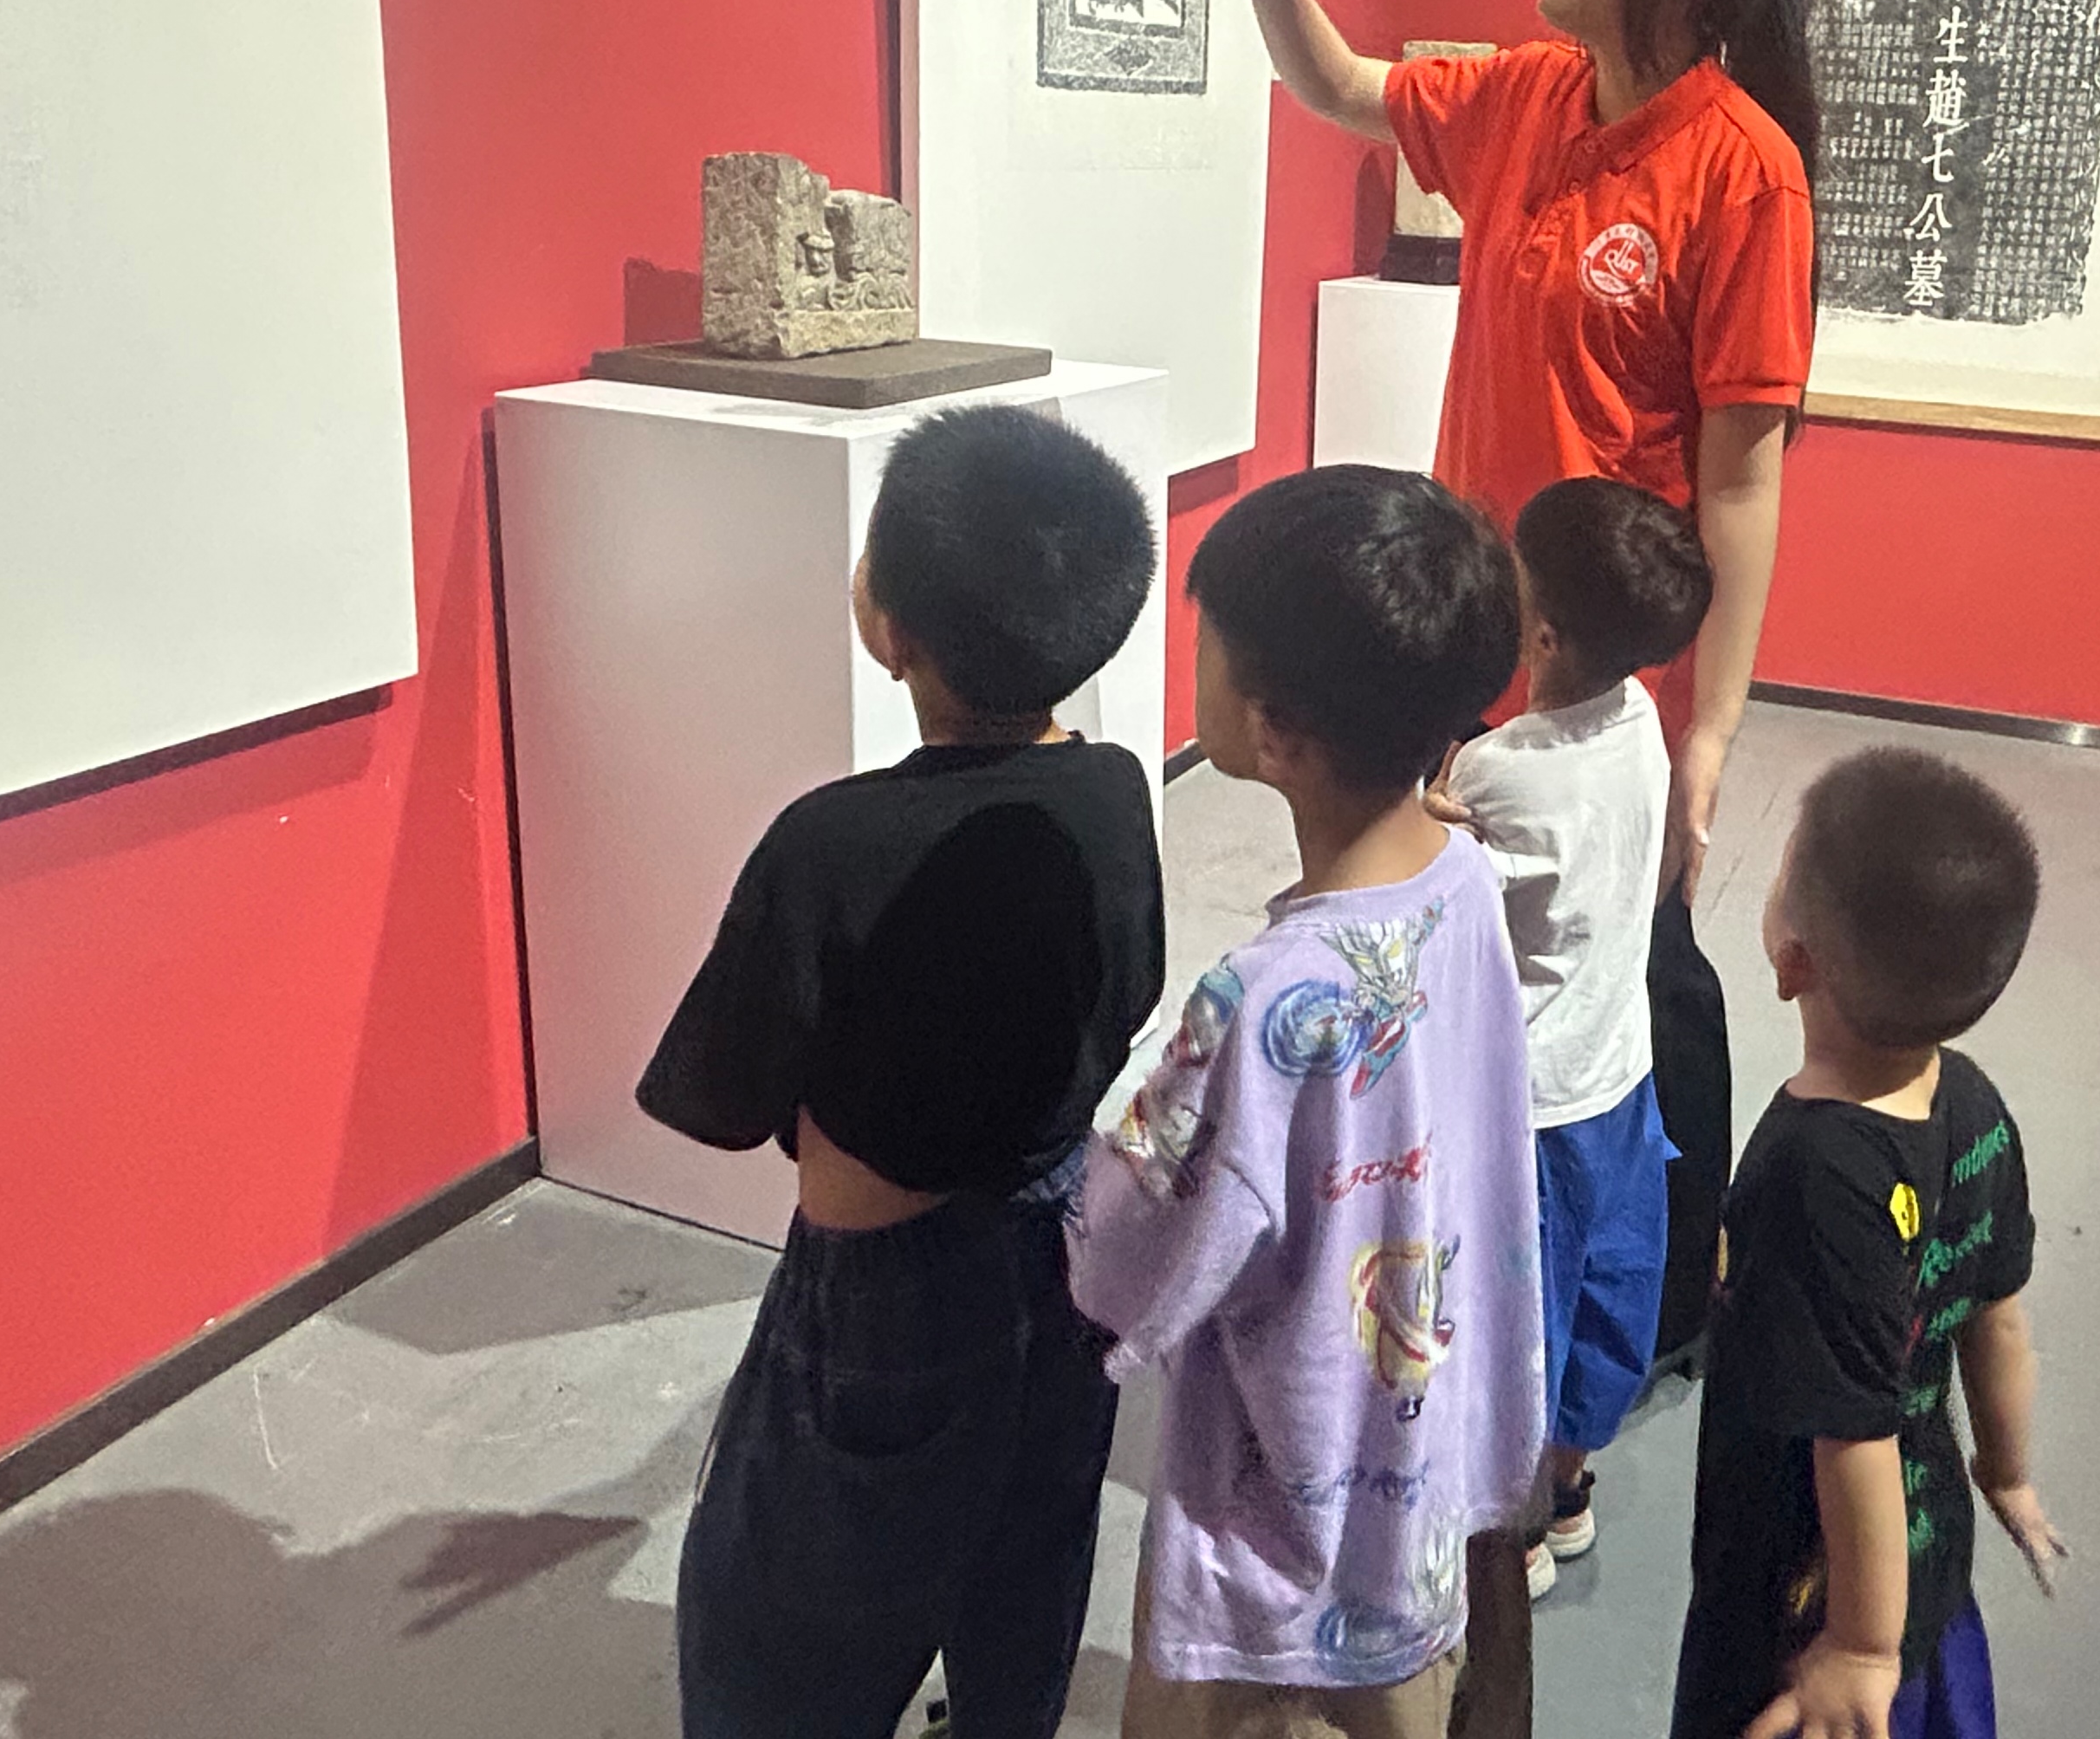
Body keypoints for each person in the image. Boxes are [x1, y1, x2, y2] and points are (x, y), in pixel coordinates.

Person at [1154, 0, 1818, 1367]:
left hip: (1609, 654)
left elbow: (1742, 477)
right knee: (1469, 928)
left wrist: (1708, 730)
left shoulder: (1743, 174)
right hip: (1479, 621)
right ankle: (1463, 1241)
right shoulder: (1527, 93)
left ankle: (1660, 1293)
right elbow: (1342, 84)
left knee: (1631, 969)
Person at [637, 404, 1166, 1739]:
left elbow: (722, 1094)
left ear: (888, 627)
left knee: (783, 1614)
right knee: (1028, 1548)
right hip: (1070, 1246)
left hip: (885, 1286)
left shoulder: (827, 843)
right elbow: (1131, 991)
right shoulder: (1116, 791)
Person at [1069, 465, 1541, 1739]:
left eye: (1207, 639)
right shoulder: (1466, 876)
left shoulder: (1266, 999)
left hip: (1282, 1549)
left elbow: (1126, 1256)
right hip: (1421, 1482)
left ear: (1272, 729)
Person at [1669, 749, 2063, 1739]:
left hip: (1808, 1596)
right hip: (1926, 1551)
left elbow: (1854, 1437)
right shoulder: (1972, 1103)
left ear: (1791, 959)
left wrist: (1859, 1646)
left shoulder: (1813, 1172)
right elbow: (1998, 1320)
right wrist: (2005, 1470)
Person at [1436, 477, 1714, 1595]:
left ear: (1538, 630)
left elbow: (1444, 905)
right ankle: (1566, 1487)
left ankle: (1506, 1535)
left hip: (1531, 1104)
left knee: (1522, 1314)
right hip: (1621, 1076)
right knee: (1608, 1289)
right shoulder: (1642, 717)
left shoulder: (1496, 769)